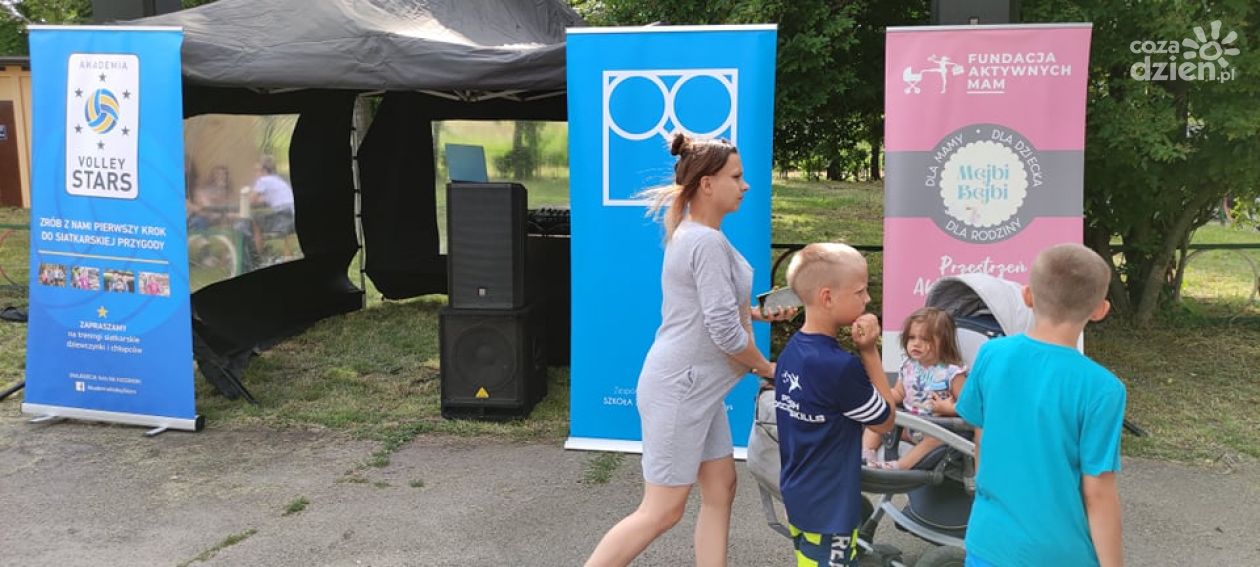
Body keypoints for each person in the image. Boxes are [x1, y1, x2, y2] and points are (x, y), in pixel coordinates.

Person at [585, 133, 794, 567]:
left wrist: (758, 314)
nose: (745, 185)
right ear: (707, 184)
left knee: (721, 486)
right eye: (736, 177)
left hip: (697, 389)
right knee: (662, 510)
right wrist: (766, 367)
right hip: (681, 388)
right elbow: (723, 330)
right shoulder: (704, 241)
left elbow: (710, 308)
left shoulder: (700, 235)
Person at [956, 243, 1126, 567]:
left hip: (988, 540)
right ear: (1100, 310)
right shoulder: (1103, 389)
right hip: (1059, 553)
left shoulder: (991, 355)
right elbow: (1098, 491)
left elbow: (982, 440)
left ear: (1027, 295)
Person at [773, 243, 896, 567]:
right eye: (860, 291)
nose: (867, 300)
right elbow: (885, 420)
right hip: (831, 509)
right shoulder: (839, 367)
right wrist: (869, 351)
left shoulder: (792, 352)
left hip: (800, 493)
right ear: (827, 297)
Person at [862, 307, 968, 470]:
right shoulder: (908, 366)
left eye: (925, 339)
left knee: (935, 439)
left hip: (936, 430)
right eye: (912, 337)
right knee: (879, 419)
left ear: (944, 341)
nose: (916, 343)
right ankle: (866, 453)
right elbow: (899, 393)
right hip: (909, 426)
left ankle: (900, 466)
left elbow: (968, 406)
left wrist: (948, 408)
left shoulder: (952, 372)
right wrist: (881, 396)